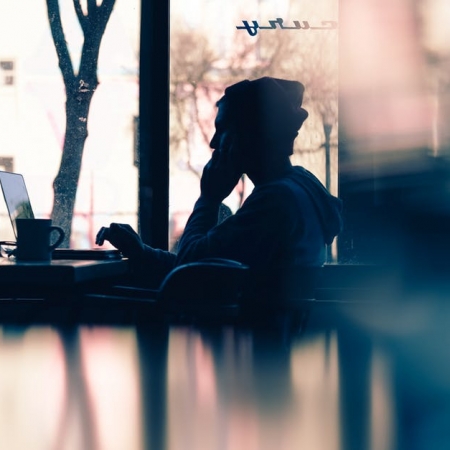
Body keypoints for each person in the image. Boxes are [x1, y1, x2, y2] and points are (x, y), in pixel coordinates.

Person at [96, 77, 343, 292]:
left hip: (244, 340)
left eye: (222, 129)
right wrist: (142, 253)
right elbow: (206, 261)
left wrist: (209, 199)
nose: (214, 142)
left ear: (251, 134)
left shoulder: (275, 201)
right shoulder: (299, 186)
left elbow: (190, 269)